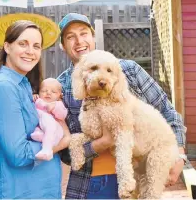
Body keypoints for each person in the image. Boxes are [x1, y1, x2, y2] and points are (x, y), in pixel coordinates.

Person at [57, 13, 187, 200]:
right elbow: (66, 154)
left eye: (84, 33)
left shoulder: (128, 70)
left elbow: (168, 112)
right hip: (92, 184)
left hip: (141, 173)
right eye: (70, 37)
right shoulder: (61, 87)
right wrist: (103, 143)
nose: (79, 41)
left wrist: (179, 156)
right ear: (63, 45)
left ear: (93, 37)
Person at [0, 20, 70, 199]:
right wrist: (62, 142)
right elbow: (18, 154)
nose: (30, 51)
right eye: (22, 44)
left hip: (36, 188)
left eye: (36, 46)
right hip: (13, 189)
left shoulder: (24, 85)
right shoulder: (4, 87)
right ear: (7, 47)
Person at [31, 78, 68, 161]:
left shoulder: (58, 104)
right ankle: (41, 136)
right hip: (41, 127)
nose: (48, 93)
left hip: (55, 131)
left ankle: (46, 148)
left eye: (53, 92)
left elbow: (62, 115)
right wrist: (34, 97)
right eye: (44, 91)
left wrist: (54, 108)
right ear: (38, 93)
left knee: (49, 123)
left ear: (60, 96)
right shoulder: (38, 102)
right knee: (39, 127)